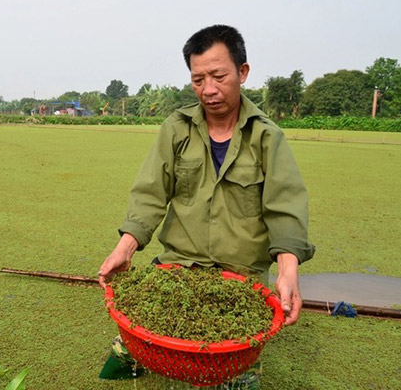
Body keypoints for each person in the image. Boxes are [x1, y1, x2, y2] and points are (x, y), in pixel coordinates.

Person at [98, 24, 315, 386]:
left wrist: (287, 271)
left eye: (218, 76)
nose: (209, 90)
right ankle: (134, 362)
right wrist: (125, 246)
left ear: (242, 72)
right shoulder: (176, 129)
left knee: (236, 367)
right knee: (129, 345)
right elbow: (151, 194)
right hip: (178, 267)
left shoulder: (267, 137)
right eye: (198, 79)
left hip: (240, 276)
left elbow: (285, 208)